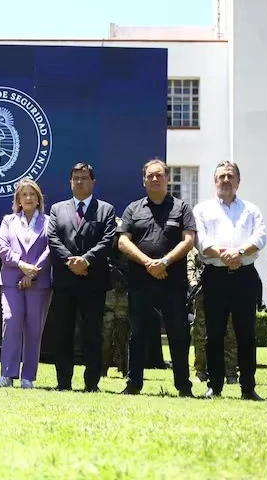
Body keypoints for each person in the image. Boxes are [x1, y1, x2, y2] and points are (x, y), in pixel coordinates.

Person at [118, 159, 196, 397]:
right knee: (138, 334)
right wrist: (148, 263)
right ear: (144, 180)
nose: (154, 179)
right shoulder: (133, 209)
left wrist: (163, 262)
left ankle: (183, 387)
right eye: (150, 175)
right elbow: (122, 241)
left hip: (172, 282)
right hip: (141, 281)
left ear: (167, 178)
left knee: (178, 334)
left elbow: (189, 240)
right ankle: (133, 385)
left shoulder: (182, 208)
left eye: (159, 175)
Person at [193, 160, 266, 400]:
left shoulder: (251, 209)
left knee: (246, 334)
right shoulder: (202, 210)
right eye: (221, 176)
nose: (226, 180)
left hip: (245, 276)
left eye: (230, 176)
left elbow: (261, 237)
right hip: (215, 277)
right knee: (213, 335)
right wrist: (225, 255)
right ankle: (214, 386)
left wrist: (240, 253)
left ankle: (248, 388)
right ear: (215, 181)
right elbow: (201, 242)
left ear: (238, 181)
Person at [47, 162, 117, 392]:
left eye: (84, 177)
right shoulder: (58, 209)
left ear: (93, 182)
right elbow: (53, 239)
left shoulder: (106, 210)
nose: (79, 181)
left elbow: (107, 241)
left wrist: (85, 260)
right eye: (75, 177)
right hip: (65, 282)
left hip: (93, 281)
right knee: (62, 333)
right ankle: (63, 382)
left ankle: (91, 383)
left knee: (92, 335)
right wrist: (71, 261)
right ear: (70, 182)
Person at [0, 179, 51, 388]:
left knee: (34, 328)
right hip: (11, 280)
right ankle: (7, 375)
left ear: (38, 198)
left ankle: (28, 378)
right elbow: (3, 248)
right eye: (24, 194)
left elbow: (50, 250)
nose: (28, 198)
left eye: (32, 194)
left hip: (38, 281)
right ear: (18, 199)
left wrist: (32, 273)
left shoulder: (48, 221)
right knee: (11, 320)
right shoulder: (8, 221)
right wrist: (22, 265)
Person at [188, 246, 238, 384]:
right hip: (202, 293)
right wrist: (193, 282)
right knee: (200, 334)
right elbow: (190, 268)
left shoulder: (230, 244)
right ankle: (201, 372)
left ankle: (231, 373)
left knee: (230, 333)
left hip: (227, 289)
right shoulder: (197, 248)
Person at [101, 218, 129, 378]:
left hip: (124, 292)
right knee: (106, 331)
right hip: (109, 292)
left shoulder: (128, 248)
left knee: (123, 332)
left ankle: (125, 368)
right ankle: (103, 367)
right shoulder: (107, 248)